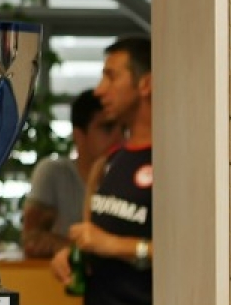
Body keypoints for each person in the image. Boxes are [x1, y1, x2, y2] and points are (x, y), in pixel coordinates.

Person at [51, 36, 153, 305]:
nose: (99, 90)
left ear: (146, 84)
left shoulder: (172, 163)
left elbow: (191, 251)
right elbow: (93, 238)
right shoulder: (107, 162)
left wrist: (112, 245)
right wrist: (72, 256)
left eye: (111, 77)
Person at [21, 89, 123, 258]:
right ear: (79, 136)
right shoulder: (53, 172)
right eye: (107, 128)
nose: (119, 138)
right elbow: (31, 240)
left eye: (124, 129)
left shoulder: (130, 177)